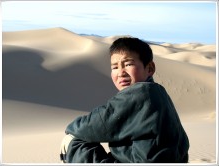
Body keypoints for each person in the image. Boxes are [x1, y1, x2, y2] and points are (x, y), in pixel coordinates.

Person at [60, 37, 189, 163]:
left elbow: (97, 123)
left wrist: (70, 132)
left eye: (128, 64)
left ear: (150, 68)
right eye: (115, 67)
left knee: (75, 143)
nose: (121, 72)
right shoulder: (158, 92)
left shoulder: (141, 93)